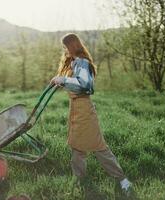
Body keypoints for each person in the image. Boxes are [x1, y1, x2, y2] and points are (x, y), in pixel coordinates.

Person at [50, 33, 132, 195]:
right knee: (76, 146)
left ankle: (123, 180)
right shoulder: (74, 62)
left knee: (98, 147)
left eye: (66, 47)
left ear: (72, 46)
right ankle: (79, 179)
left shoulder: (82, 62)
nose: (64, 50)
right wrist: (60, 81)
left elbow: (85, 85)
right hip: (76, 109)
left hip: (84, 110)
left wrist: (64, 80)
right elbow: (74, 83)